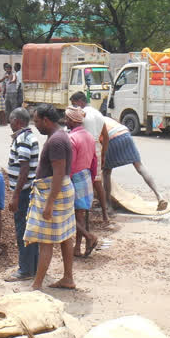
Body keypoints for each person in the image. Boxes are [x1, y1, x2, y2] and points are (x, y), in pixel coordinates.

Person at [25, 104, 77, 291]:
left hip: (55, 193)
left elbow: (58, 172)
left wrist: (49, 203)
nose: (35, 125)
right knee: (64, 237)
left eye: (37, 121)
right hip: (59, 192)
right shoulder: (59, 136)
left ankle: (36, 285)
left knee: (45, 240)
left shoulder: (56, 141)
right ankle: (68, 278)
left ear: (46, 120)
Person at [102, 115, 167, 211]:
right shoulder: (103, 117)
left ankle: (108, 205)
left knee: (106, 172)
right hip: (125, 133)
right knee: (139, 166)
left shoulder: (87, 122)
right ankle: (159, 196)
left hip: (111, 138)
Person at [5, 107, 40, 282]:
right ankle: (33, 266)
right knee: (30, 229)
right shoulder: (26, 137)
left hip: (25, 192)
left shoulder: (23, 139)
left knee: (23, 231)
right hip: (27, 191)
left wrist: (15, 195)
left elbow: (24, 169)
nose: (9, 123)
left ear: (17, 121)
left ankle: (25, 270)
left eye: (11, 120)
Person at [70, 92, 110, 222]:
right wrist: (103, 154)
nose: (74, 108)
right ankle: (105, 214)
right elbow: (106, 135)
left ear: (80, 101)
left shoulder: (82, 114)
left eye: (74, 104)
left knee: (81, 180)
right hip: (97, 147)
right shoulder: (98, 113)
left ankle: (82, 215)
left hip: (85, 147)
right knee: (97, 182)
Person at [65, 106, 99, 258]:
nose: (65, 121)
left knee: (70, 215)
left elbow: (70, 165)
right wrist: (91, 178)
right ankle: (77, 248)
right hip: (86, 176)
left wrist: (65, 181)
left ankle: (88, 237)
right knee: (80, 215)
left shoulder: (72, 138)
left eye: (66, 118)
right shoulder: (90, 137)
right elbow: (94, 160)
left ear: (72, 121)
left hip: (75, 178)